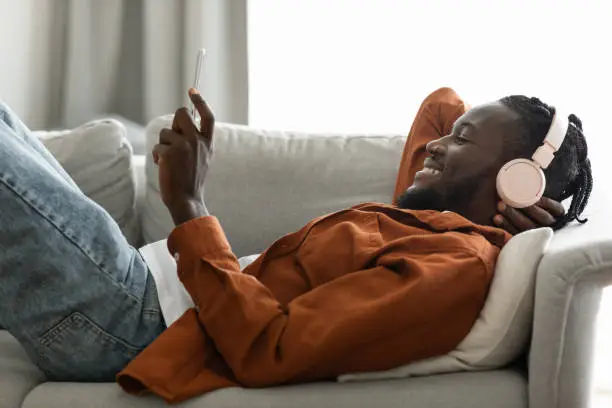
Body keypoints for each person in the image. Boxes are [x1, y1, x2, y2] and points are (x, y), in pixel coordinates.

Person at [0, 87, 591, 403]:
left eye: (462, 141)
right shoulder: (428, 221)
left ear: (515, 178)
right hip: (138, 291)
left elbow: (268, 350)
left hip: (133, 323)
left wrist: (188, 205)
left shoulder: (449, 267)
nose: (435, 146)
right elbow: (440, 104)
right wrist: (502, 187)